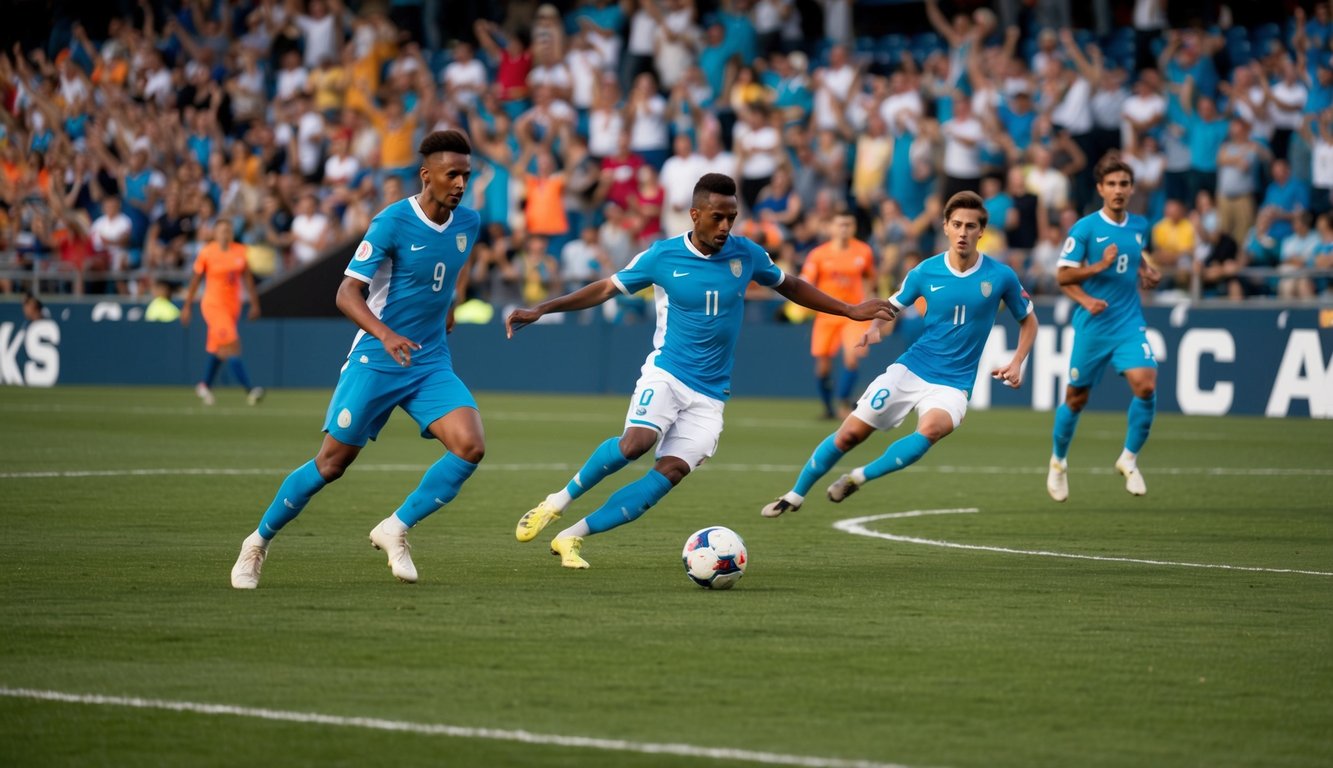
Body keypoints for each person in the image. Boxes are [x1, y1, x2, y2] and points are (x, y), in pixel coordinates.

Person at [504, 173, 893, 568]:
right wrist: (543, 308)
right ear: (695, 214)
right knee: (635, 443)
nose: (725, 226)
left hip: (710, 395)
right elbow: (606, 288)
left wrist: (848, 309)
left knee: (668, 473)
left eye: (732, 217)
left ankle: (572, 538)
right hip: (667, 373)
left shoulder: (747, 255)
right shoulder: (662, 256)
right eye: (717, 217)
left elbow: (789, 284)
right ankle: (555, 503)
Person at [228, 130, 485, 589]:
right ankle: (256, 543)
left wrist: (447, 309)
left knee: (470, 445)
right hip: (377, 358)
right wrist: (386, 334)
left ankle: (396, 527)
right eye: (453, 174)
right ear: (427, 176)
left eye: (467, 174)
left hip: (429, 361)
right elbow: (346, 293)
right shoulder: (391, 223)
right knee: (331, 463)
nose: (462, 183)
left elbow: (449, 274)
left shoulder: (469, 223)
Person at [760, 191, 1037, 518]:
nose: (963, 232)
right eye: (957, 224)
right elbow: (893, 305)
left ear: (981, 231)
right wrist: (875, 327)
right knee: (849, 434)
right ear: (945, 226)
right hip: (911, 369)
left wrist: (1017, 361)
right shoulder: (924, 272)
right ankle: (795, 494)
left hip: (954, 382)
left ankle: (859, 477)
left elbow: (1028, 320)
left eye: (971, 226)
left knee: (931, 430)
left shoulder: (1001, 275)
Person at [1046, 155, 1162, 503]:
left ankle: (1128, 459)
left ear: (1131, 189)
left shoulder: (1140, 225)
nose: (1117, 190)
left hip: (1128, 322)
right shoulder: (1084, 228)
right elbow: (1063, 275)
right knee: (1076, 399)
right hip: (1093, 326)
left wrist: (1146, 270)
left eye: (1123, 184)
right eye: (1111, 184)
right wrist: (1098, 270)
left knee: (1146, 385)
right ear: (1100, 189)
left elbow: (1136, 254)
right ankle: (1058, 462)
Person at [800, 211, 877, 419]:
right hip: (826, 315)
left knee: (852, 358)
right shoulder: (818, 254)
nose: (844, 229)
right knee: (823, 367)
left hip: (853, 313)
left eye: (848, 224)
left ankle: (844, 402)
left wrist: (869, 302)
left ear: (853, 227)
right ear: (832, 228)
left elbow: (871, 279)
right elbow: (805, 282)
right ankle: (828, 409)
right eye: (840, 224)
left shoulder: (864, 251)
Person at [181, 219, 264, 406]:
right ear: (215, 233)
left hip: (232, 306)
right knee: (233, 344)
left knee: (220, 350)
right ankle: (250, 390)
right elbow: (195, 280)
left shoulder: (240, 251)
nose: (225, 234)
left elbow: (248, 279)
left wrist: (254, 303)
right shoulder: (207, 252)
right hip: (213, 305)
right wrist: (187, 306)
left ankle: (204, 385)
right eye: (221, 231)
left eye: (228, 230)